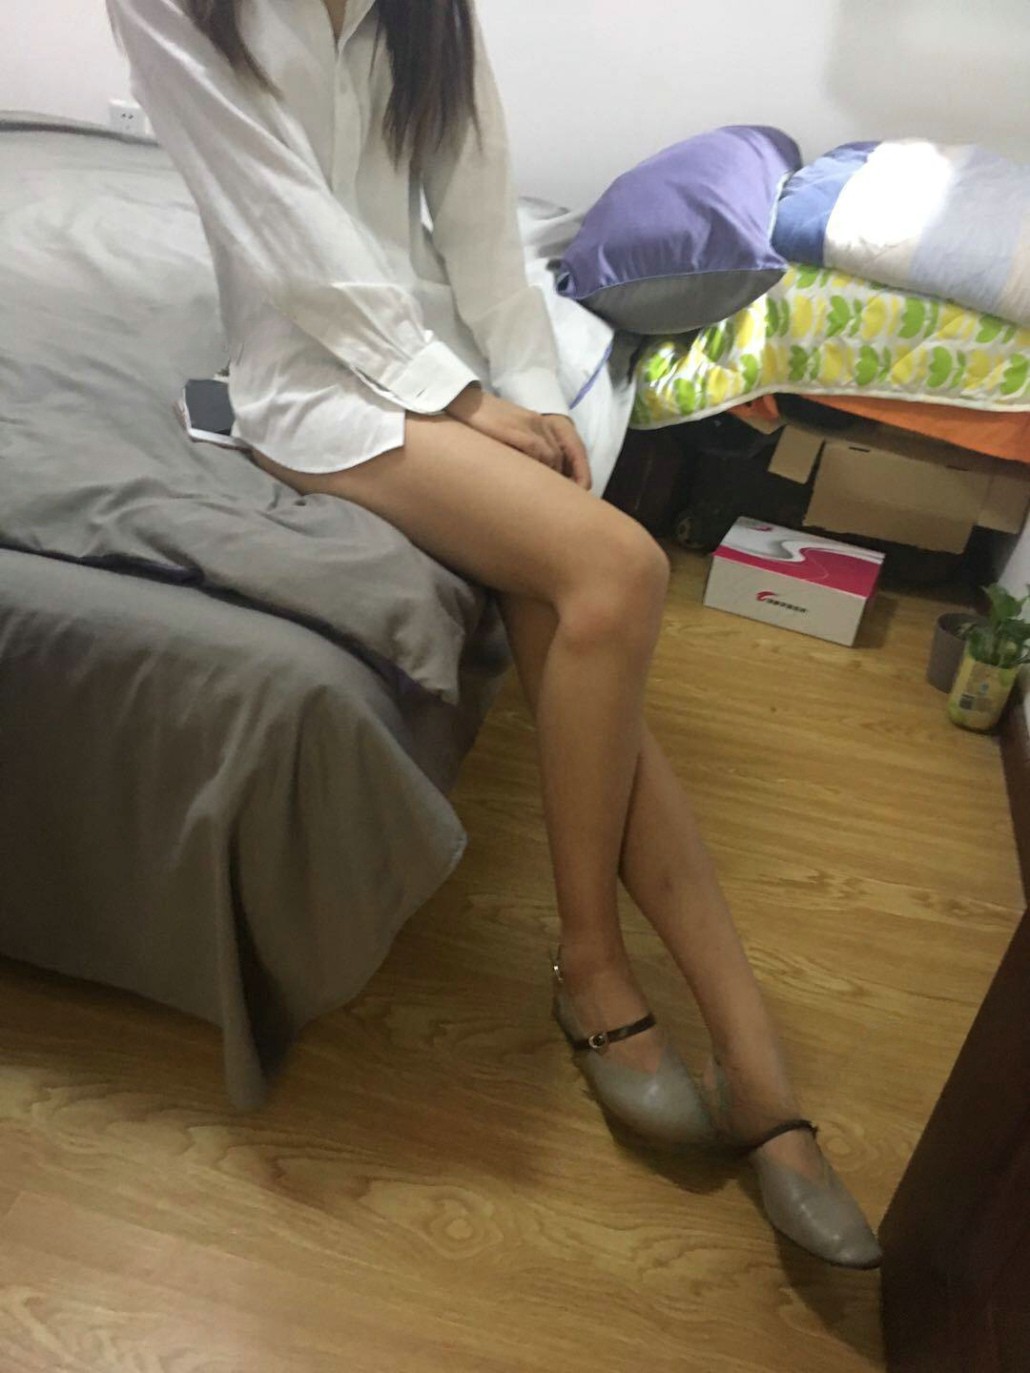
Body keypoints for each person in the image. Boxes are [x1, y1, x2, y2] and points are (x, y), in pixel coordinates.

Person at [106, 0, 880, 1269]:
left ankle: (753, 1069)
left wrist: (524, 397)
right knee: (620, 568)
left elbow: (474, 207)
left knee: (584, 620)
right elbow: (278, 222)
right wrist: (460, 400)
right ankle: (601, 972)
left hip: (440, 350)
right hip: (313, 373)